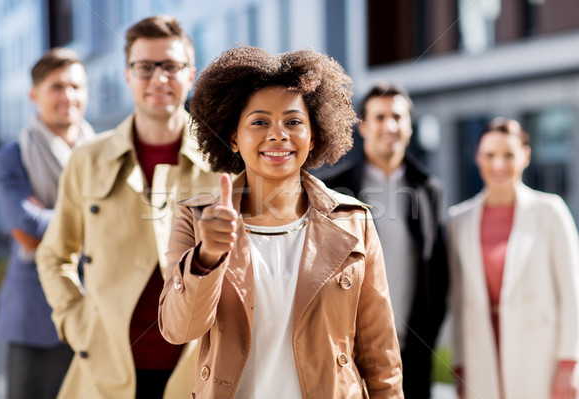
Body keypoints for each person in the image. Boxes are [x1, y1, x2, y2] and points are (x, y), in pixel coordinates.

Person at [158, 46, 403, 398]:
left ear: (314, 135)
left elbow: (381, 358)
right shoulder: (195, 219)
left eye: (293, 122)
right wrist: (207, 256)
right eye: (259, 122)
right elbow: (179, 329)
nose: (278, 134)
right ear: (233, 137)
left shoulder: (355, 223)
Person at [36, 16, 219, 399]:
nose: (158, 78)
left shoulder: (221, 159)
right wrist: (77, 323)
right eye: (144, 67)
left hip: (199, 369)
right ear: (127, 75)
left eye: (170, 66)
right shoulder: (88, 159)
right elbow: (54, 255)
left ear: (191, 75)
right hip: (106, 370)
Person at [322, 82, 448, 398]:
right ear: (363, 126)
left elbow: (438, 270)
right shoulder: (333, 190)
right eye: (379, 117)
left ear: (409, 127)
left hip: (414, 349)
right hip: (350, 350)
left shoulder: (428, 188)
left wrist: (430, 335)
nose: (389, 126)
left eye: (398, 117)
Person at [448, 117, 579, 399]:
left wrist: (569, 364)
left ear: (526, 156)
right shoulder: (458, 220)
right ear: (477, 157)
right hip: (481, 356)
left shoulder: (551, 211)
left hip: (540, 356)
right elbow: (458, 302)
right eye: (490, 155)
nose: (499, 165)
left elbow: (572, 293)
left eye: (508, 155)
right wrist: (459, 365)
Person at [0, 48, 94, 399]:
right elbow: (24, 222)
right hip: (36, 317)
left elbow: (38, 228)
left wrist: (50, 223)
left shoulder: (105, 154)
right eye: (57, 87)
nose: (69, 97)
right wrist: (96, 220)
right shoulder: (10, 157)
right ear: (34, 95)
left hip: (98, 307)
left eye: (76, 87)